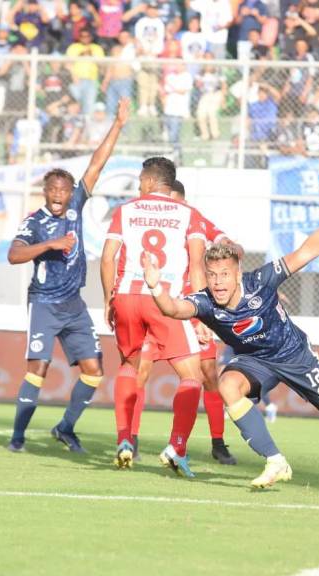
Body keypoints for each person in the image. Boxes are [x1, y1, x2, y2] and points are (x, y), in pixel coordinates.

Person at [144, 179, 319, 496]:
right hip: (255, 361)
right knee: (227, 386)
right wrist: (154, 286)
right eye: (213, 275)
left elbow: (307, 251)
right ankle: (275, 461)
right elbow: (174, 309)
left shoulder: (262, 280)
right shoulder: (205, 302)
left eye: (224, 275)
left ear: (237, 273)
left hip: (295, 355)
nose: (217, 283)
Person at [5, 98, 130, 454]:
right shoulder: (35, 222)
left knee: (93, 371)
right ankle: (17, 438)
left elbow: (97, 163)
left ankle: (65, 427)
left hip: (74, 304)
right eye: (54, 191)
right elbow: (14, 255)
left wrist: (118, 124)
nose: (60, 196)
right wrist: (49, 244)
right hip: (43, 304)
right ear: (45, 193)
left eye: (64, 190)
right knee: (37, 371)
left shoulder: (76, 203)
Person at [101, 157, 209, 474]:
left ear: (149, 181)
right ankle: (176, 446)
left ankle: (124, 441)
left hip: (126, 296)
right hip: (164, 299)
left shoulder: (126, 210)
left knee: (129, 366)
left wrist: (109, 298)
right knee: (192, 375)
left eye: (139, 181)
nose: (138, 186)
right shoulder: (189, 215)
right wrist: (200, 315)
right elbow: (197, 265)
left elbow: (108, 258)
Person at [129, 178, 239, 466]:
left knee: (209, 375)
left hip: (192, 310)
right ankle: (132, 437)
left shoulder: (194, 220)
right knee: (141, 370)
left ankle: (217, 442)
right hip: (157, 308)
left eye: (175, 204)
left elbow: (226, 242)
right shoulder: (145, 220)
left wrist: (229, 244)